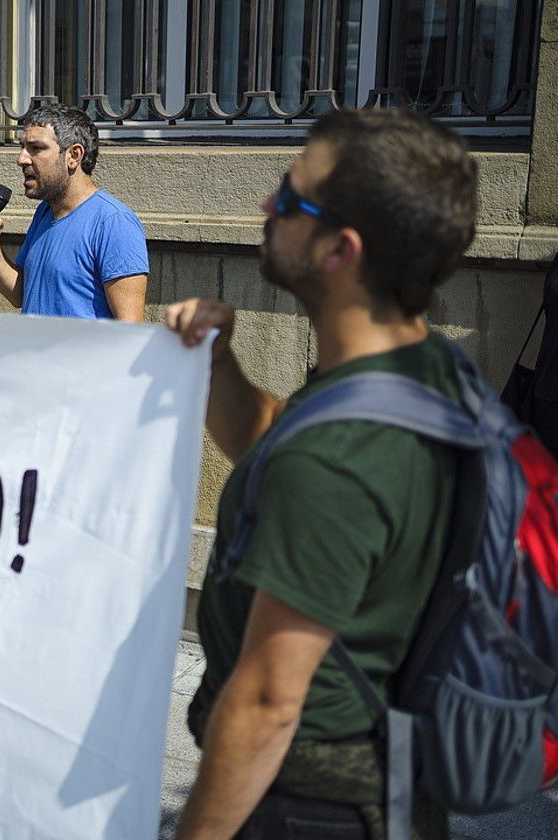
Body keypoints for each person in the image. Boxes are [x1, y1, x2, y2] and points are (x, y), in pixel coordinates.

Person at [165, 109, 478, 839]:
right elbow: (276, 444)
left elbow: (270, 699)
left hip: (307, 807)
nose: (266, 208)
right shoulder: (412, 366)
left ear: (342, 248)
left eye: (289, 196)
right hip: (372, 785)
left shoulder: (342, 453)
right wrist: (218, 365)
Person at [0, 104, 147, 320]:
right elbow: (22, 294)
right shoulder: (45, 212)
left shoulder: (114, 223)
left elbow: (129, 330)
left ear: (74, 155)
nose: (21, 159)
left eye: (36, 148)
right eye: (22, 147)